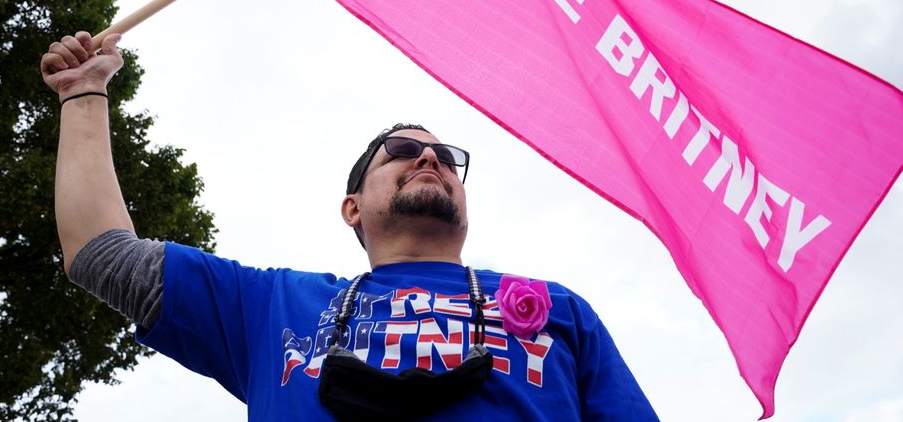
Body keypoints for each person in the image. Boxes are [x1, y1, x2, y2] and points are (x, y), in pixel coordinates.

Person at [41, 31, 660, 421]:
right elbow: (102, 255)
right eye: (399, 150)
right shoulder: (271, 306)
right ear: (353, 208)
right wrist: (83, 94)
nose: (429, 158)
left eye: (447, 158)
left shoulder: (562, 311)